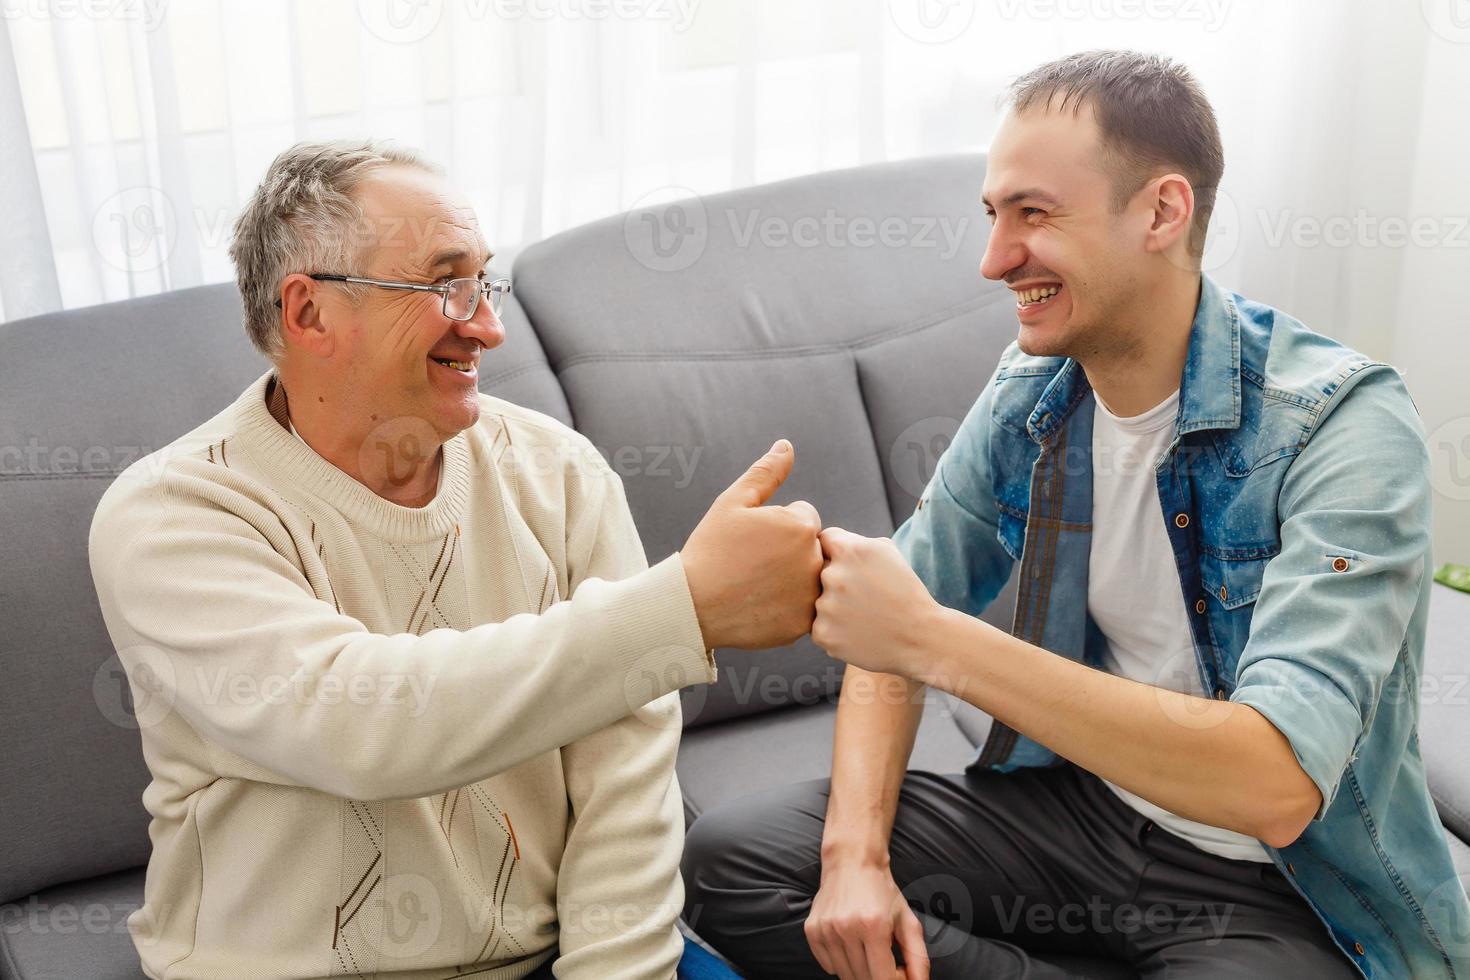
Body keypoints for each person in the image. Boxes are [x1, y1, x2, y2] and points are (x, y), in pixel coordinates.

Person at [682, 50, 1470, 979]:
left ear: (1162, 213)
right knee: (736, 862)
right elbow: (892, 610)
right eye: (993, 215)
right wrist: (854, 859)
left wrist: (935, 641)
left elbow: (1276, 786)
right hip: (1085, 820)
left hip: (1279, 883)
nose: (993, 260)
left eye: (1035, 215)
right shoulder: (1034, 393)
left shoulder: (1341, 425)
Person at [88, 140, 819, 979]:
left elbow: (626, 774)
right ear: (309, 313)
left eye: (484, 281)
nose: (488, 324)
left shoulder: (561, 473)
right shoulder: (173, 516)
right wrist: (681, 607)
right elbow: (363, 725)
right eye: (445, 285)